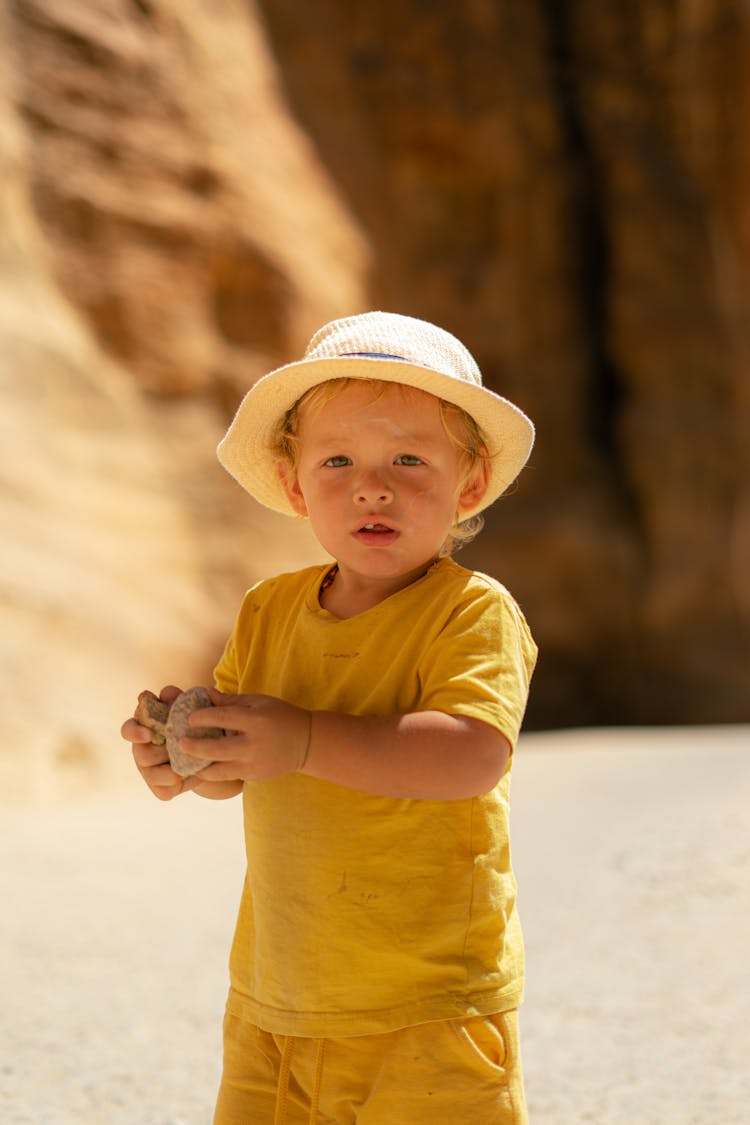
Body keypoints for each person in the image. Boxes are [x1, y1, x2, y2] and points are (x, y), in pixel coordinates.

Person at [121, 310, 538, 1125]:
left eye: (409, 460)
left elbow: (472, 756)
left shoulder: (469, 612)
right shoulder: (268, 610)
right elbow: (248, 762)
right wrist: (186, 758)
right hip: (279, 995)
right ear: (293, 484)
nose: (371, 485)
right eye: (337, 459)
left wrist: (303, 737)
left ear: (472, 484)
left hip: (426, 1001)